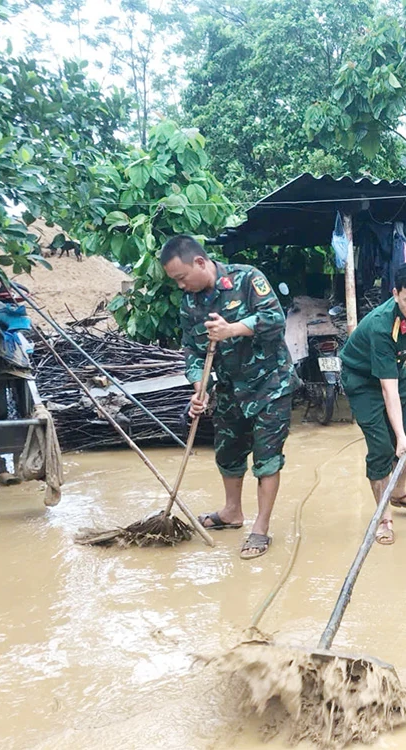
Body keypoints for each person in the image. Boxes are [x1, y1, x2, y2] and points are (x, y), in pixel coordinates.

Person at [161, 235, 295, 560]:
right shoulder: (190, 304)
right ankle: (232, 512)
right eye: (175, 281)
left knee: (266, 458)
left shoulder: (247, 278)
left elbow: (275, 320)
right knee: (228, 453)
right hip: (230, 389)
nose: (181, 286)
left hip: (269, 385)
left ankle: (260, 528)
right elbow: (192, 352)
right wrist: (199, 388)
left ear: (200, 262)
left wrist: (232, 329)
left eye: (182, 278)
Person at [339, 261, 406, 545]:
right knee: (383, 448)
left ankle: (398, 492)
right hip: (363, 381)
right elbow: (387, 391)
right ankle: (383, 517)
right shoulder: (380, 325)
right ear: (395, 293)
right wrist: (398, 437)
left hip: (393, 372)